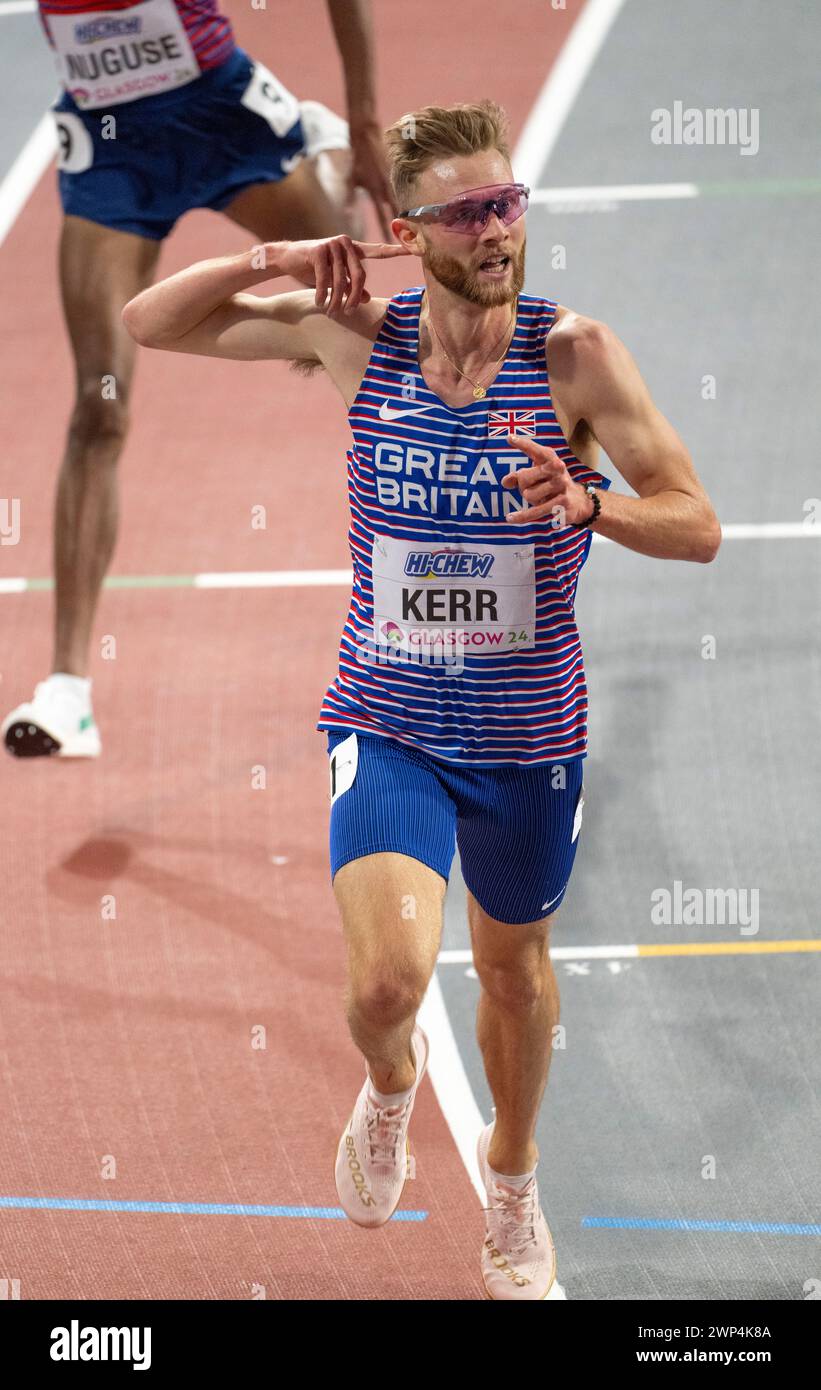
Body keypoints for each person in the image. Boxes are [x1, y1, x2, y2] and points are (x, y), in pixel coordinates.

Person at [119, 99, 722, 1300]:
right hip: (386, 720)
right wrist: (271, 258)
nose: (498, 231)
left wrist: (593, 506)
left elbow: (696, 523)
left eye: (508, 203)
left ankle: (510, 1175)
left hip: (526, 738)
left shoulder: (576, 359)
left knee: (510, 972)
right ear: (412, 232)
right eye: (468, 212)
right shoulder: (358, 336)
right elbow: (149, 322)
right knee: (386, 986)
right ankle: (391, 1089)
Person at [3, 0, 394, 758]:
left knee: (345, 314)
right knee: (98, 407)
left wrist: (367, 122)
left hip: (221, 116)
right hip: (111, 146)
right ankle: (68, 692)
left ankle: (329, 154)